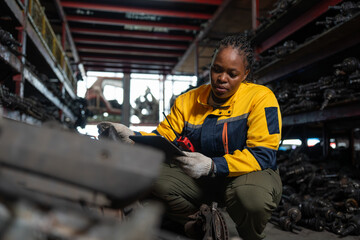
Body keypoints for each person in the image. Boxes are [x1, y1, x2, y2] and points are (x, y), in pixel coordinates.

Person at [98, 34, 282, 240]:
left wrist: (213, 165)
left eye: (232, 74)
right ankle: (201, 224)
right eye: (217, 69)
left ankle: (250, 237)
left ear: (245, 74)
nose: (222, 78)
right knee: (151, 176)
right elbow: (162, 137)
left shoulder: (261, 98)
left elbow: (263, 155)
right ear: (210, 66)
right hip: (204, 179)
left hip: (246, 176)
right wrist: (131, 136)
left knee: (251, 199)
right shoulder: (188, 100)